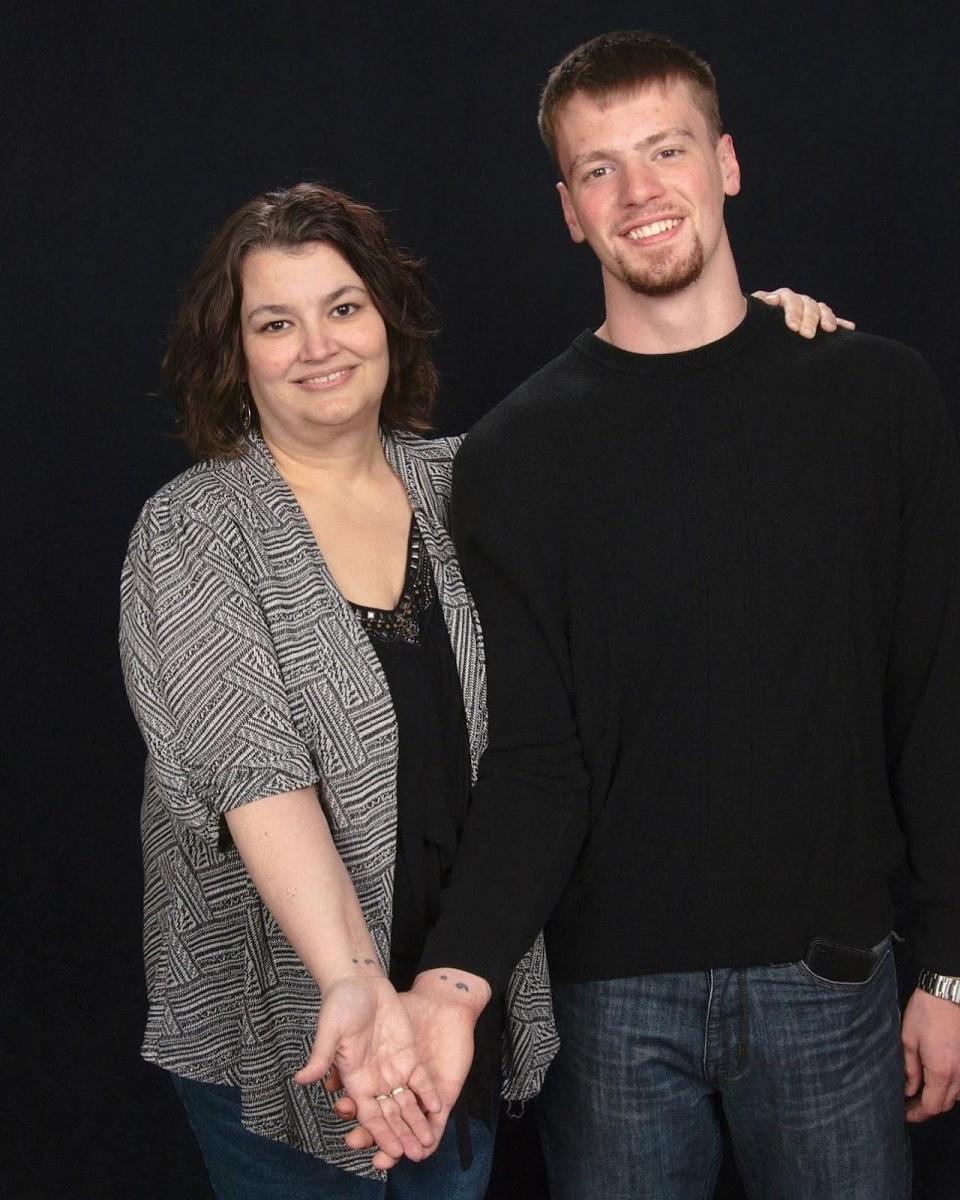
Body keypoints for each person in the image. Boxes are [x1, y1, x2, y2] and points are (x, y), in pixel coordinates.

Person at [120, 179, 842, 1196]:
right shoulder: (194, 528)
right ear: (234, 354)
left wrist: (737, 332)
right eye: (275, 323)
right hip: (290, 1025)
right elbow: (253, 776)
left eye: (342, 308)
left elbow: (647, 456)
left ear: (386, 318)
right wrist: (356, 986)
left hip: (456, 998)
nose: (319, 345)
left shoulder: (471, 480)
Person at [349, 30, 960, 1200]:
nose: (640, 193)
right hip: (608, 998)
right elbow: (534, 757)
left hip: (832, 974)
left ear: (726, 163)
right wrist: (453, 982)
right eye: (600, 168)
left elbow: (933, 695)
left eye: (666, 150)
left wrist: (952, 971)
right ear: (570, 210)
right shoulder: (518, 457)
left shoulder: (874, 398)